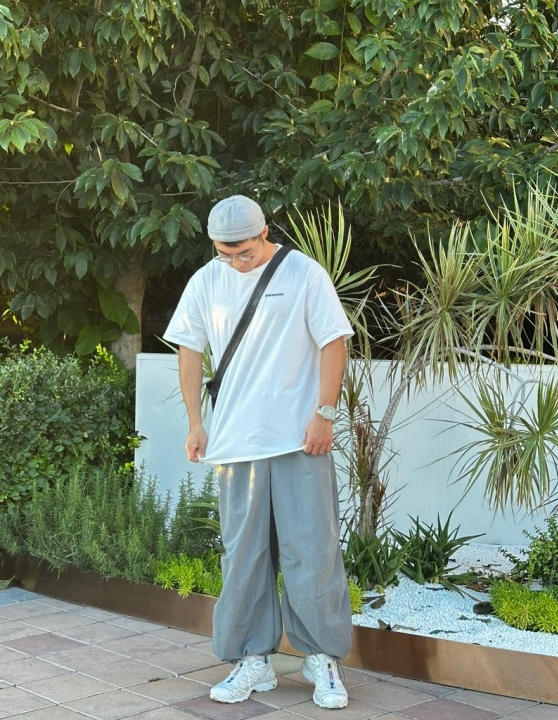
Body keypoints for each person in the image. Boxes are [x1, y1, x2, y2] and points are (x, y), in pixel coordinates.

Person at [163, 195, 353, 709]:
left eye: (243, 252)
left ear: (264, 232)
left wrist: (325, 413)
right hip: (235, 442)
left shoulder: (304, 273)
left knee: (312, 552)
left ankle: (322, 659)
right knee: (243, 556)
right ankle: (253, 659)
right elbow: (189, 350)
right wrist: (195, 422)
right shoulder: (206, 281)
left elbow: (334, 341)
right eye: (224, 253)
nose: (235, 263)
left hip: (299, 438)